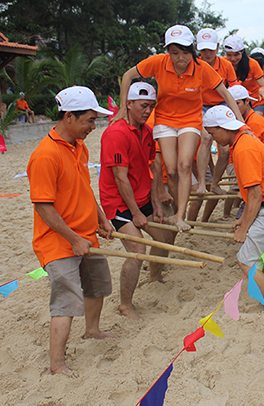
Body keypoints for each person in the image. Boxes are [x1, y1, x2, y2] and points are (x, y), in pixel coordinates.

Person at [112, 25, 243, 233]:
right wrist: (122, 109)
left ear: (192, 50)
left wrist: (241, 123)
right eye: (174, 53)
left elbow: (226, 94)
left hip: (190, 120)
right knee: (171, 171)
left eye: (184, 53)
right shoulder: (158, 62)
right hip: (164, 119)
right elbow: (128, 76)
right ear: (168, 52)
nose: (180, 58)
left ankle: (181, 216)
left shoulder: (201, 68)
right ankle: (175, 207)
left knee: (184, 165)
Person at [27, 86, 115, 375]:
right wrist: (74, 238)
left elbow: (84, 188)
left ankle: (92, 330)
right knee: (66, 301)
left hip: (85, 235)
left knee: (97, 285)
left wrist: (101, 217)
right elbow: (43, 207)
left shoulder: (79, 146)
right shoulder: (45, 155)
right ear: (68, 117)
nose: (94, 126)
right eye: (90, 120)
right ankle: (57, 363)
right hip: (59, 241)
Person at [203, 106, 264, 311]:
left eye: (212, 133)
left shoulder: (244, 147)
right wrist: (244, 219)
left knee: (244, 260)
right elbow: (253, 194)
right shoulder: (243, 139)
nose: (213, 139)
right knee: (251, 254)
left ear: (223, 128)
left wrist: (244, 228)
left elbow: (255, 194)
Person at [99, 82, 176, 321]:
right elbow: (120, 178)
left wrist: (153, 204)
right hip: (118, 202)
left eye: (151, 106)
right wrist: (136, 213)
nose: (147, 110)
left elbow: (153, 167)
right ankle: (125, 305)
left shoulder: (147, 131)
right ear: (129, 104)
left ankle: (154, 277)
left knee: (166, 236)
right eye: (144, 106)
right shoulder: (116, 133)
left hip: (141, 196)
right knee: (137, 249)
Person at [195, 27, 239, 198]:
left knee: (225, 150)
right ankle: (200, 183)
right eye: (204, 49)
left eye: (210, 49)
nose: (207, 53)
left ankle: (215, 183)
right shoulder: (195, 64)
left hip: (220, 105)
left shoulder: (226, 65)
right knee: (206, 139)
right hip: (201, 105)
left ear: (218, 47)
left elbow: (234, 90)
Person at [223, 35, 264, 117]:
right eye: (229, 55)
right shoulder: (224, 63)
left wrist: (262, 89)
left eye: (236, 54)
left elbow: (263, 86)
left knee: (255, 119)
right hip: (234, 102)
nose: (233, 58)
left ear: (242, 51)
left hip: (255, 101)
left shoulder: (253, 64)